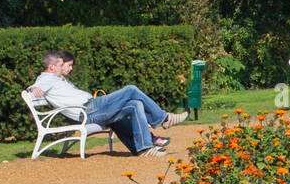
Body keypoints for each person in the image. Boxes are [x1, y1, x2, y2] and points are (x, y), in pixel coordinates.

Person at [28, 50, 188, 156]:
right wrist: (33, 88)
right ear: (51, 67)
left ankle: (144, 149)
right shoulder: (46, 78)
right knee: (131, 89)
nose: (66, 68)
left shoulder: (56, 79)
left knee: (135, 104)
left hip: (92, 108)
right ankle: (164, 119)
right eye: (63, 65)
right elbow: (35, 87)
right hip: (89, 110)